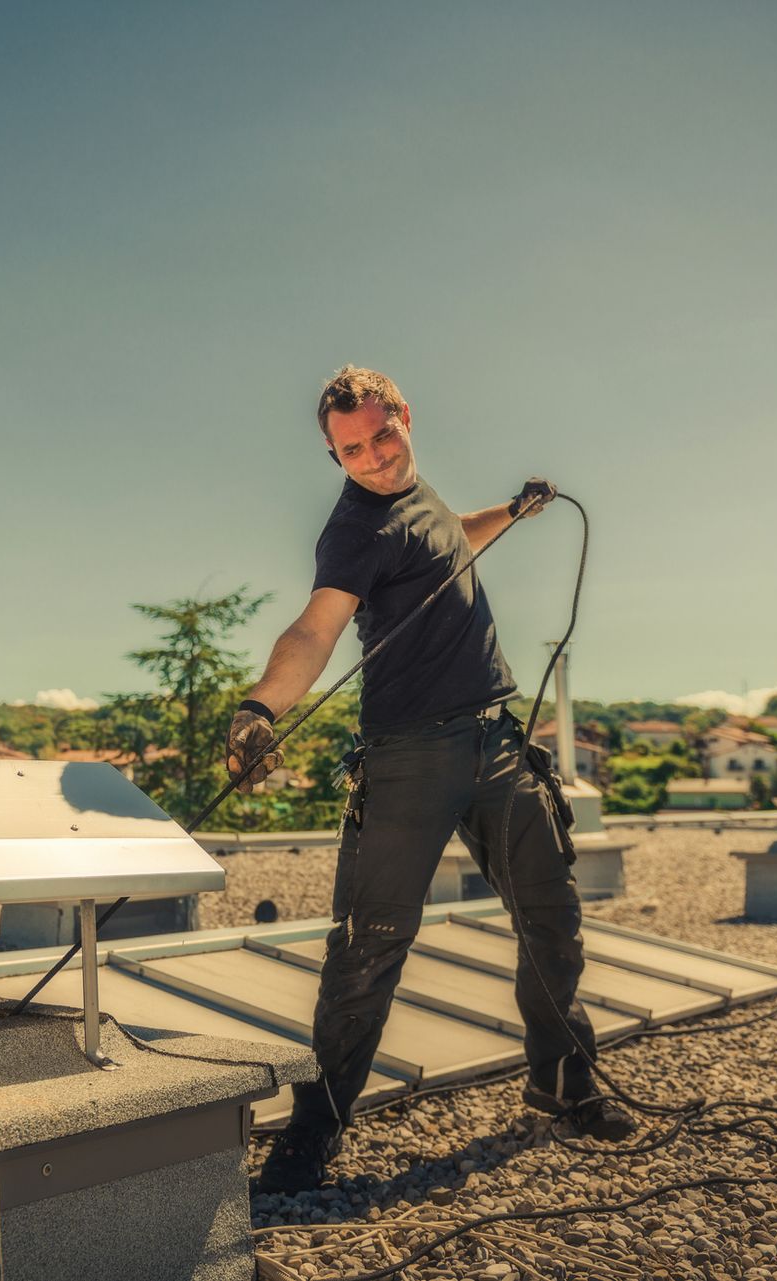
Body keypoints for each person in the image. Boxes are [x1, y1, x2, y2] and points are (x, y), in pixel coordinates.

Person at [227, 365, 634, 1194]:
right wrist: (258, 708)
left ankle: (562, 1079)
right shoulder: (352, 532)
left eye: (383, 434)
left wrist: (514, 512)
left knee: (552, 917)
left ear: (406, 417)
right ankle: (313, 1133)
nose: (374, 457)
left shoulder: (421, 496)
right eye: (352, 449)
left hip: (496, 740)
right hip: (408, 757)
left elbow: (454, 535)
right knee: (367, 950)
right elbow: (314, 629)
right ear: (332, 454)